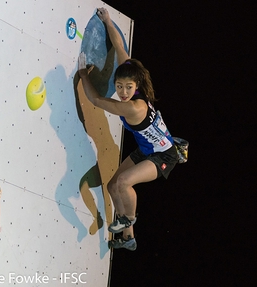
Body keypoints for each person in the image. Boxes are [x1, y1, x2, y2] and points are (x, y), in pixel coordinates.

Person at [78, 7, 178, 251]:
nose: (122, 93)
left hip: (163, 155)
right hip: (146, 149)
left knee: (123, 184)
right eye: (119, 86)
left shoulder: (133, 107)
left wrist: (83, 73)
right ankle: (128, 238)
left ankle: (129, 219)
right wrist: (108, 21)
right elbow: (121, 48)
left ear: (136, 87)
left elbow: (98, 101)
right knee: (113, 186)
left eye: (127, 88)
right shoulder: (130, 72)